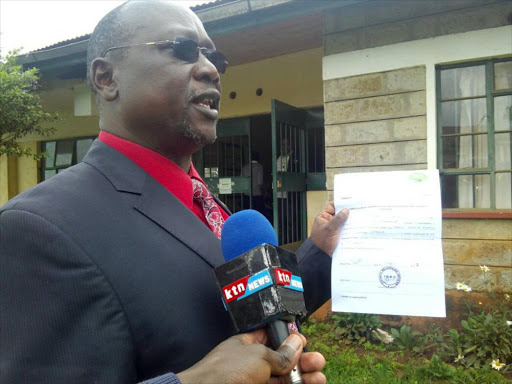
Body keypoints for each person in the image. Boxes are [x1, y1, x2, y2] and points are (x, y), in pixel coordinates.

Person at [0, 2, 349, 384]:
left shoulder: (208, 206)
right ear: (106, 77)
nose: (210, 69)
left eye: (214, 56)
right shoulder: (39, 228)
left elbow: (256, 308)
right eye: (182, 48)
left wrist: (322, 250)